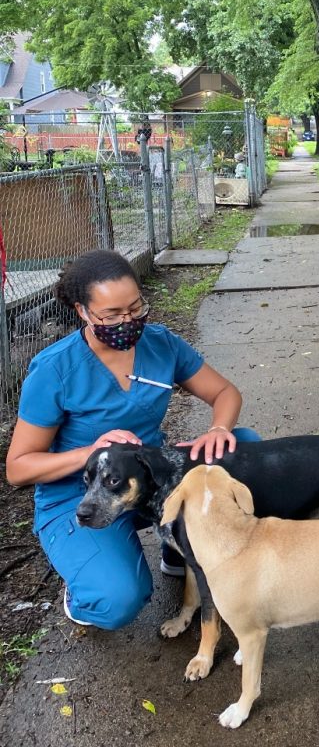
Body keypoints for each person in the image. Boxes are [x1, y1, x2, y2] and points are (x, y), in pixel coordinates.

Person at [5, 250, 260, 628]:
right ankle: (84, 588)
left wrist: (218, 429)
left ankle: (178, 551)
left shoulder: (160, 344)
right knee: (117, 600)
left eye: (135, 307)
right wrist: (92, 452)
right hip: (80, 494)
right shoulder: (55, 369)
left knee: (244, 446)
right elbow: (18, 468)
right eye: (111, 315)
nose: (127, 321)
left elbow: (225, 393)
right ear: (83, 312)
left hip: (151, 478)